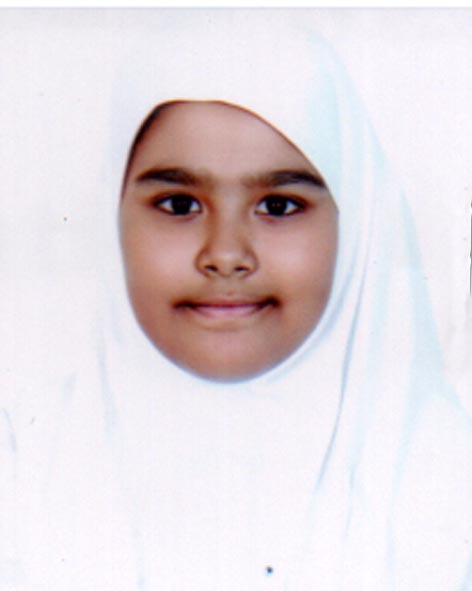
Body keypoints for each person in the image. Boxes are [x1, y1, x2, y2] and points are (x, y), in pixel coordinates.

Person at [2, 11, 471, 591]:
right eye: (179, 205)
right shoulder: (23, 462)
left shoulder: (443, 475)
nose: (225, 255)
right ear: (110, 216)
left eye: (278, 207)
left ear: (356, 227)